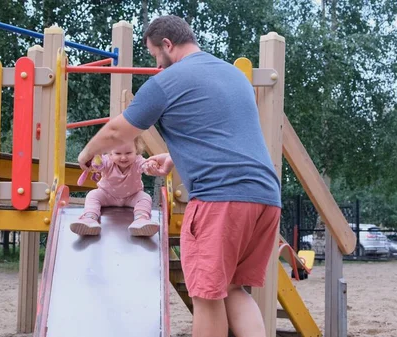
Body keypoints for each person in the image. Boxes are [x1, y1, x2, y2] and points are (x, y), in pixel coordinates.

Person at [77, 15, 282, 337]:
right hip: (266, 196)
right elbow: (227, 135)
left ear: (167, 45)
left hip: (220, 198)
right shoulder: (233, 75)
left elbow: (118, 131)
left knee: (206, 296)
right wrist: (175, 158)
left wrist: (88, 152)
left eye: (155, 55)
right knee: (233, 289)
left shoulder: (166, 82)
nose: (156, 64)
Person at [70, 137, 159, 237]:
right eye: (118, 153)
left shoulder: (138, 161)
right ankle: (89, 218)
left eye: (128, 153)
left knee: (145, 197)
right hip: (107, 195)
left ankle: (141, 220)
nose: (123, 157)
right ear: (110, 153)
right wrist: (96, 161)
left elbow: (144, 165)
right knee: (92, 195)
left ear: (136, 151)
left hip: (132, 196)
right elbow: (99, 165)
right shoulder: (107, 161)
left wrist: (150, 165)